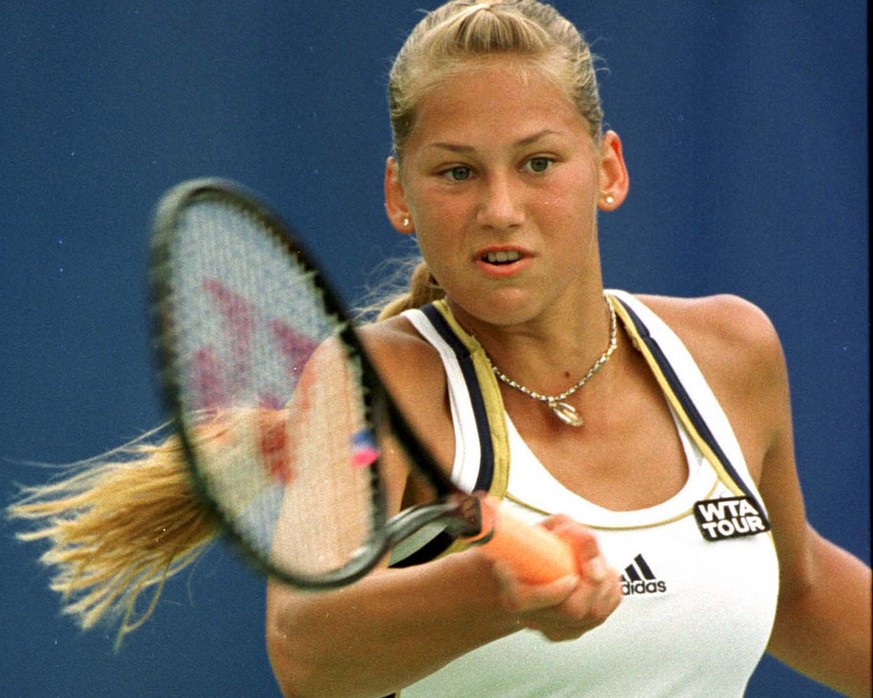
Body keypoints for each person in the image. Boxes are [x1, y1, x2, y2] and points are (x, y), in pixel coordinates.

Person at [8, 1, 870, 697]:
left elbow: (798, 591)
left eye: (538, 163)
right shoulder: (369, 383)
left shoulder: (730, 349)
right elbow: (307, 650)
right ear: (400, 193)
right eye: (456, 172)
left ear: (606, 168)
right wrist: (494, 591)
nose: (499, 207)